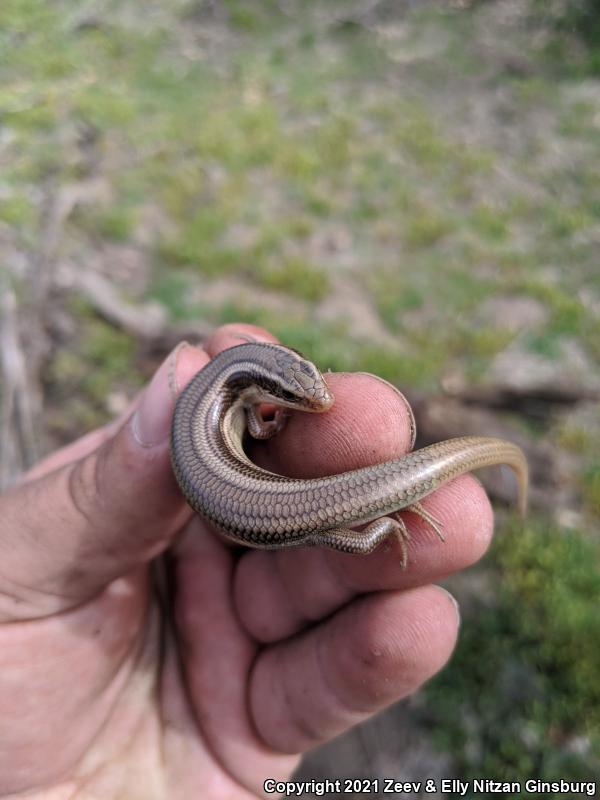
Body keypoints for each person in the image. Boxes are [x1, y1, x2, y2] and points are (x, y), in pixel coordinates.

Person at [0, 323, 493, 798]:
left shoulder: (227, 396)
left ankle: (383, 520)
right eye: (295, 396)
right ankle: (380, 530)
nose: (317, 401)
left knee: (343, 491)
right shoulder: (229, 397)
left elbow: (257, 420)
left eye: (308, 384)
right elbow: (258, 421)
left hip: (249, 500)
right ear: (258, 384)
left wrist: (272, 417)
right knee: (344, 534)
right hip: (256, 519)